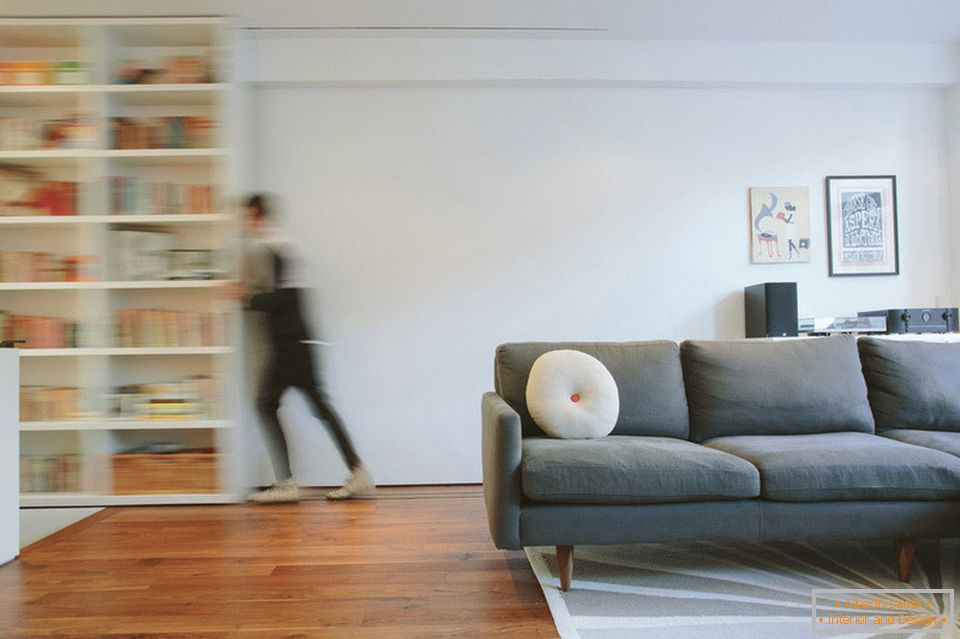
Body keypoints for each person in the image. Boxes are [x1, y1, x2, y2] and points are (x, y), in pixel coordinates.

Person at [237, 194, 375, 503]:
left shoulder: (274, 248)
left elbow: (285, 299)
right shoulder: (275, 248)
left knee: (266, 403)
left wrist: (245, 298)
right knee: (316, 407)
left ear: (258, 216)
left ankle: (287, 483)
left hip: (290, 346)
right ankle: (357, 472)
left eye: (246, 216)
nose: (243, 223)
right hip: (298, 343)